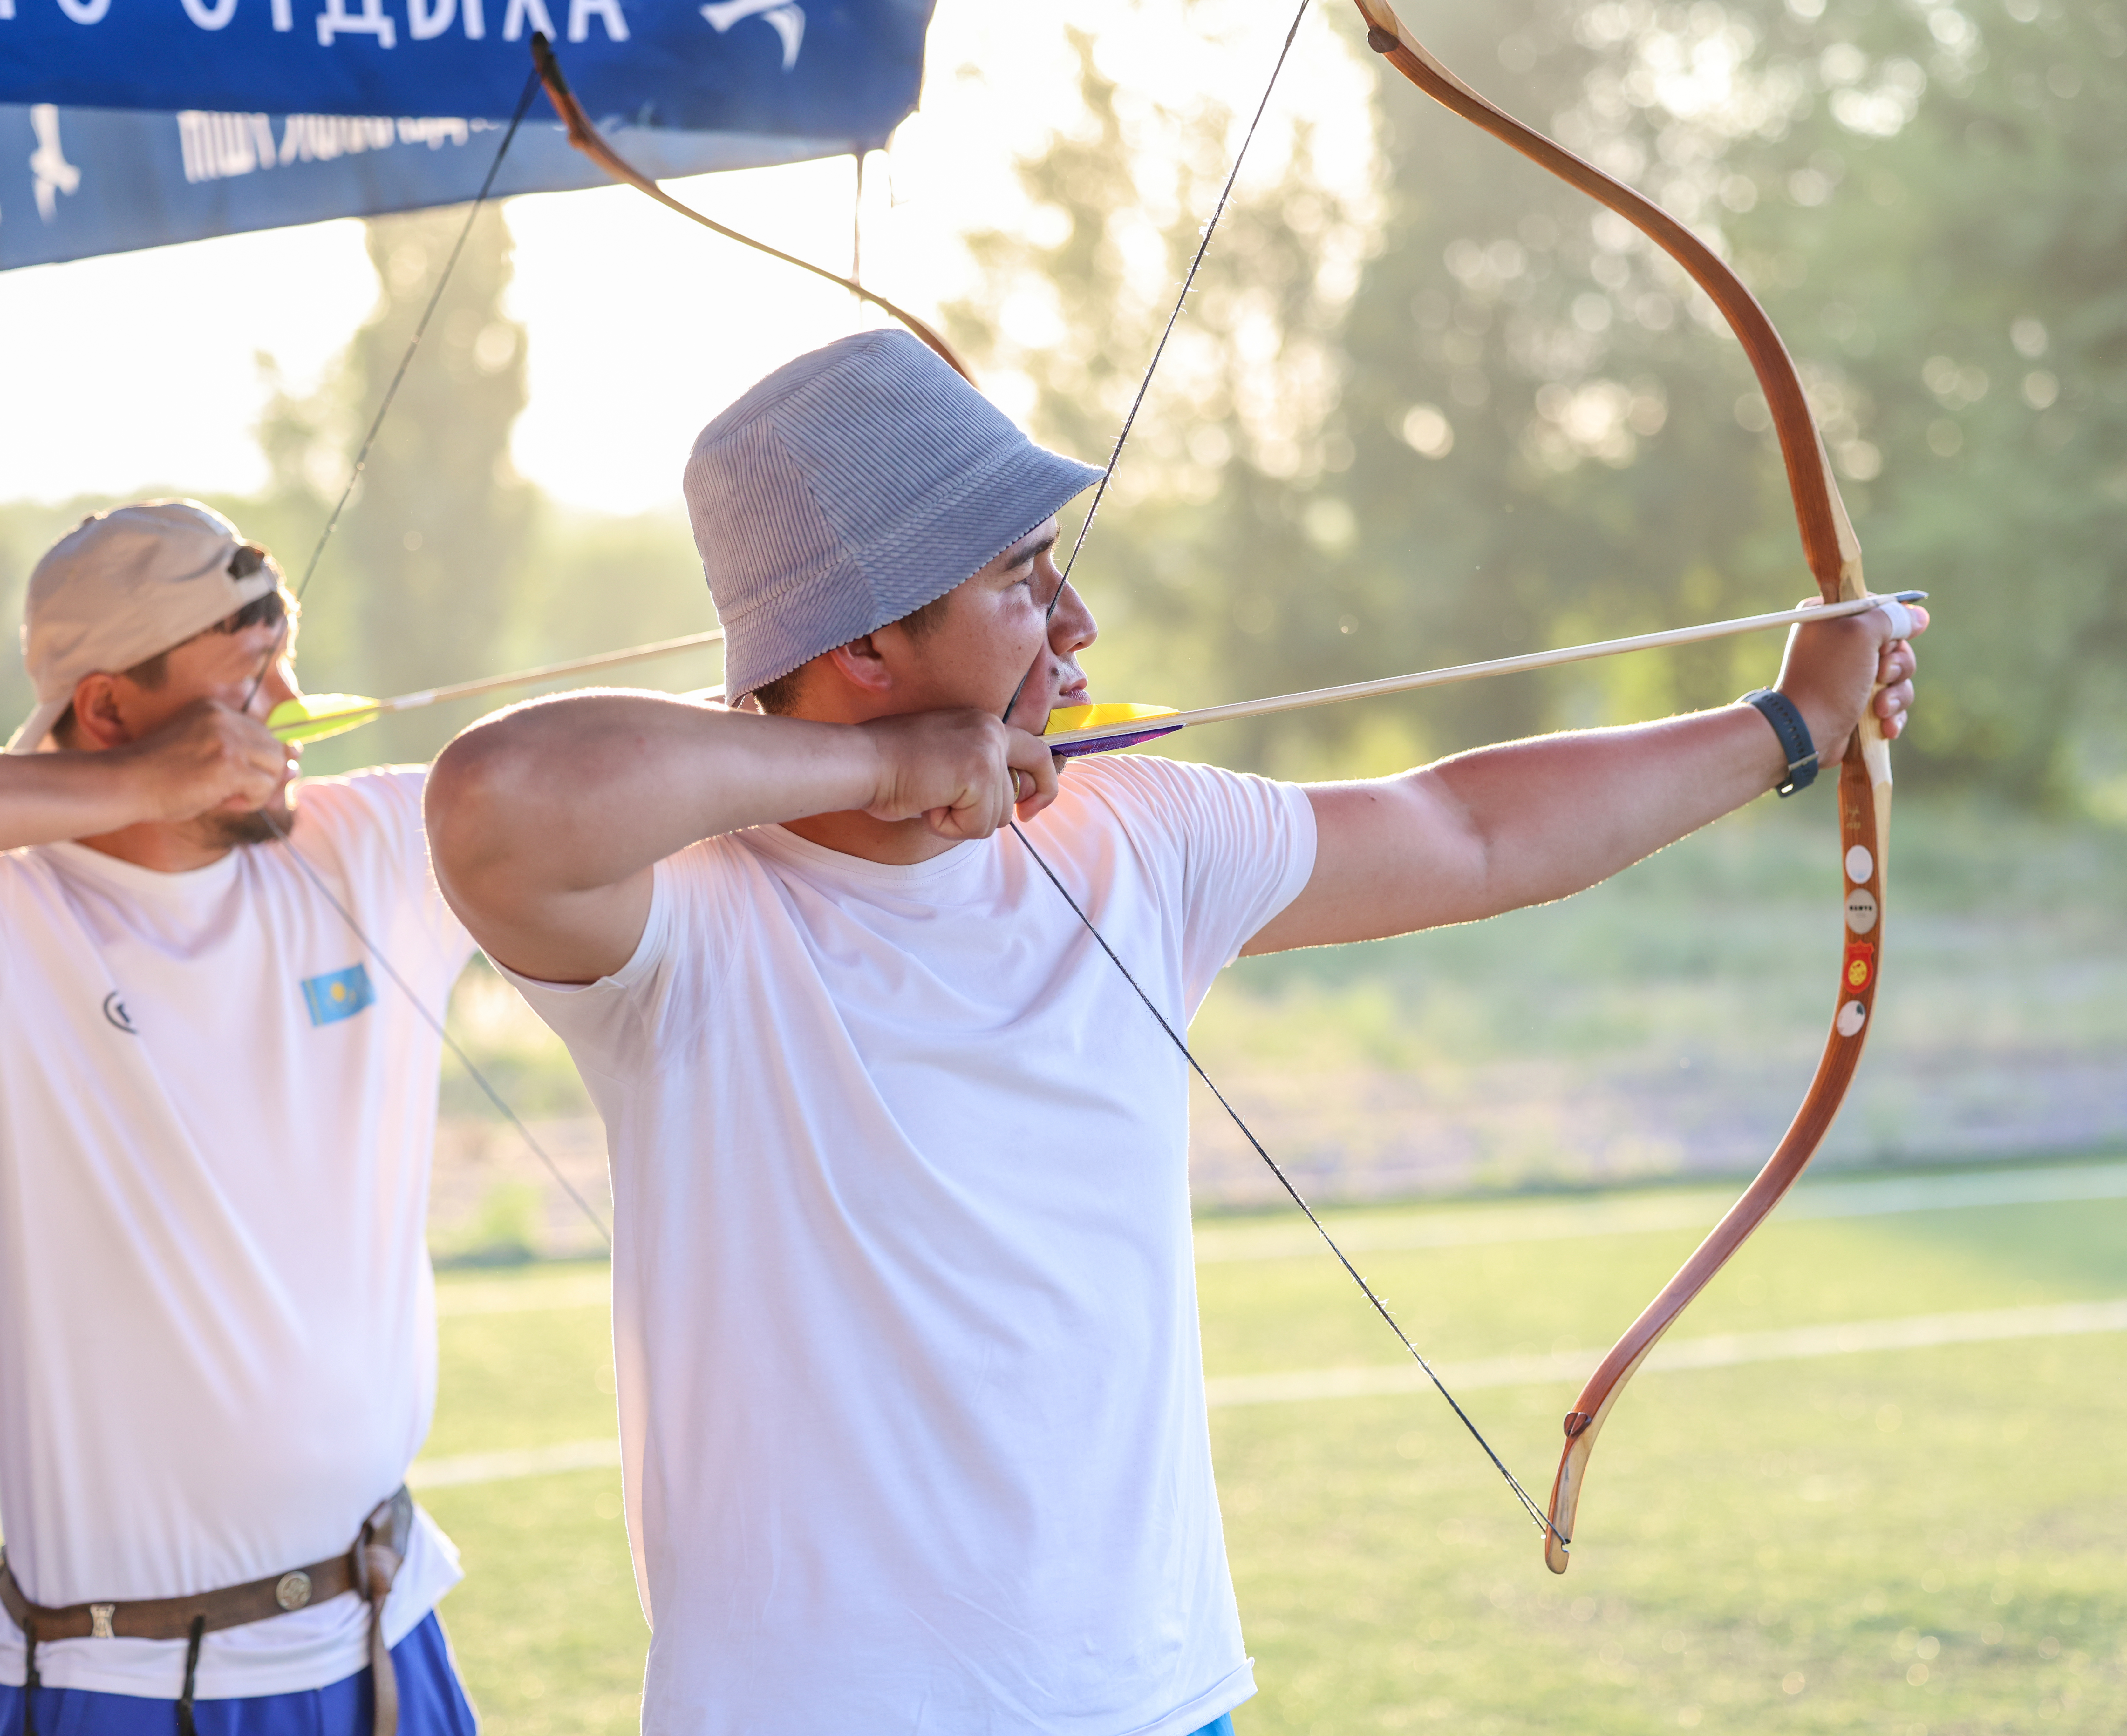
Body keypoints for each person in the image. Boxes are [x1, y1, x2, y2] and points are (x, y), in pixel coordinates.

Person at [422, 332, 1925, 1736]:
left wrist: (1786, 724)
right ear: (871, 646)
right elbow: (496, 798)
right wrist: (875, 770)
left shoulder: (1131, 836)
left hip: (1145, 1687)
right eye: (1022, 578)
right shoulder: (681, 926)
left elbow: (1462, 829)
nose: (1075, 622)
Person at [0, 501, 480, 1736]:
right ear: (110, 711)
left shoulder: (364, 846)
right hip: (125, 1686)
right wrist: (126, 790)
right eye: (247, 680)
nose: (293, 704)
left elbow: (581, 788)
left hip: (385, 1631)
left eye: (288, 662)